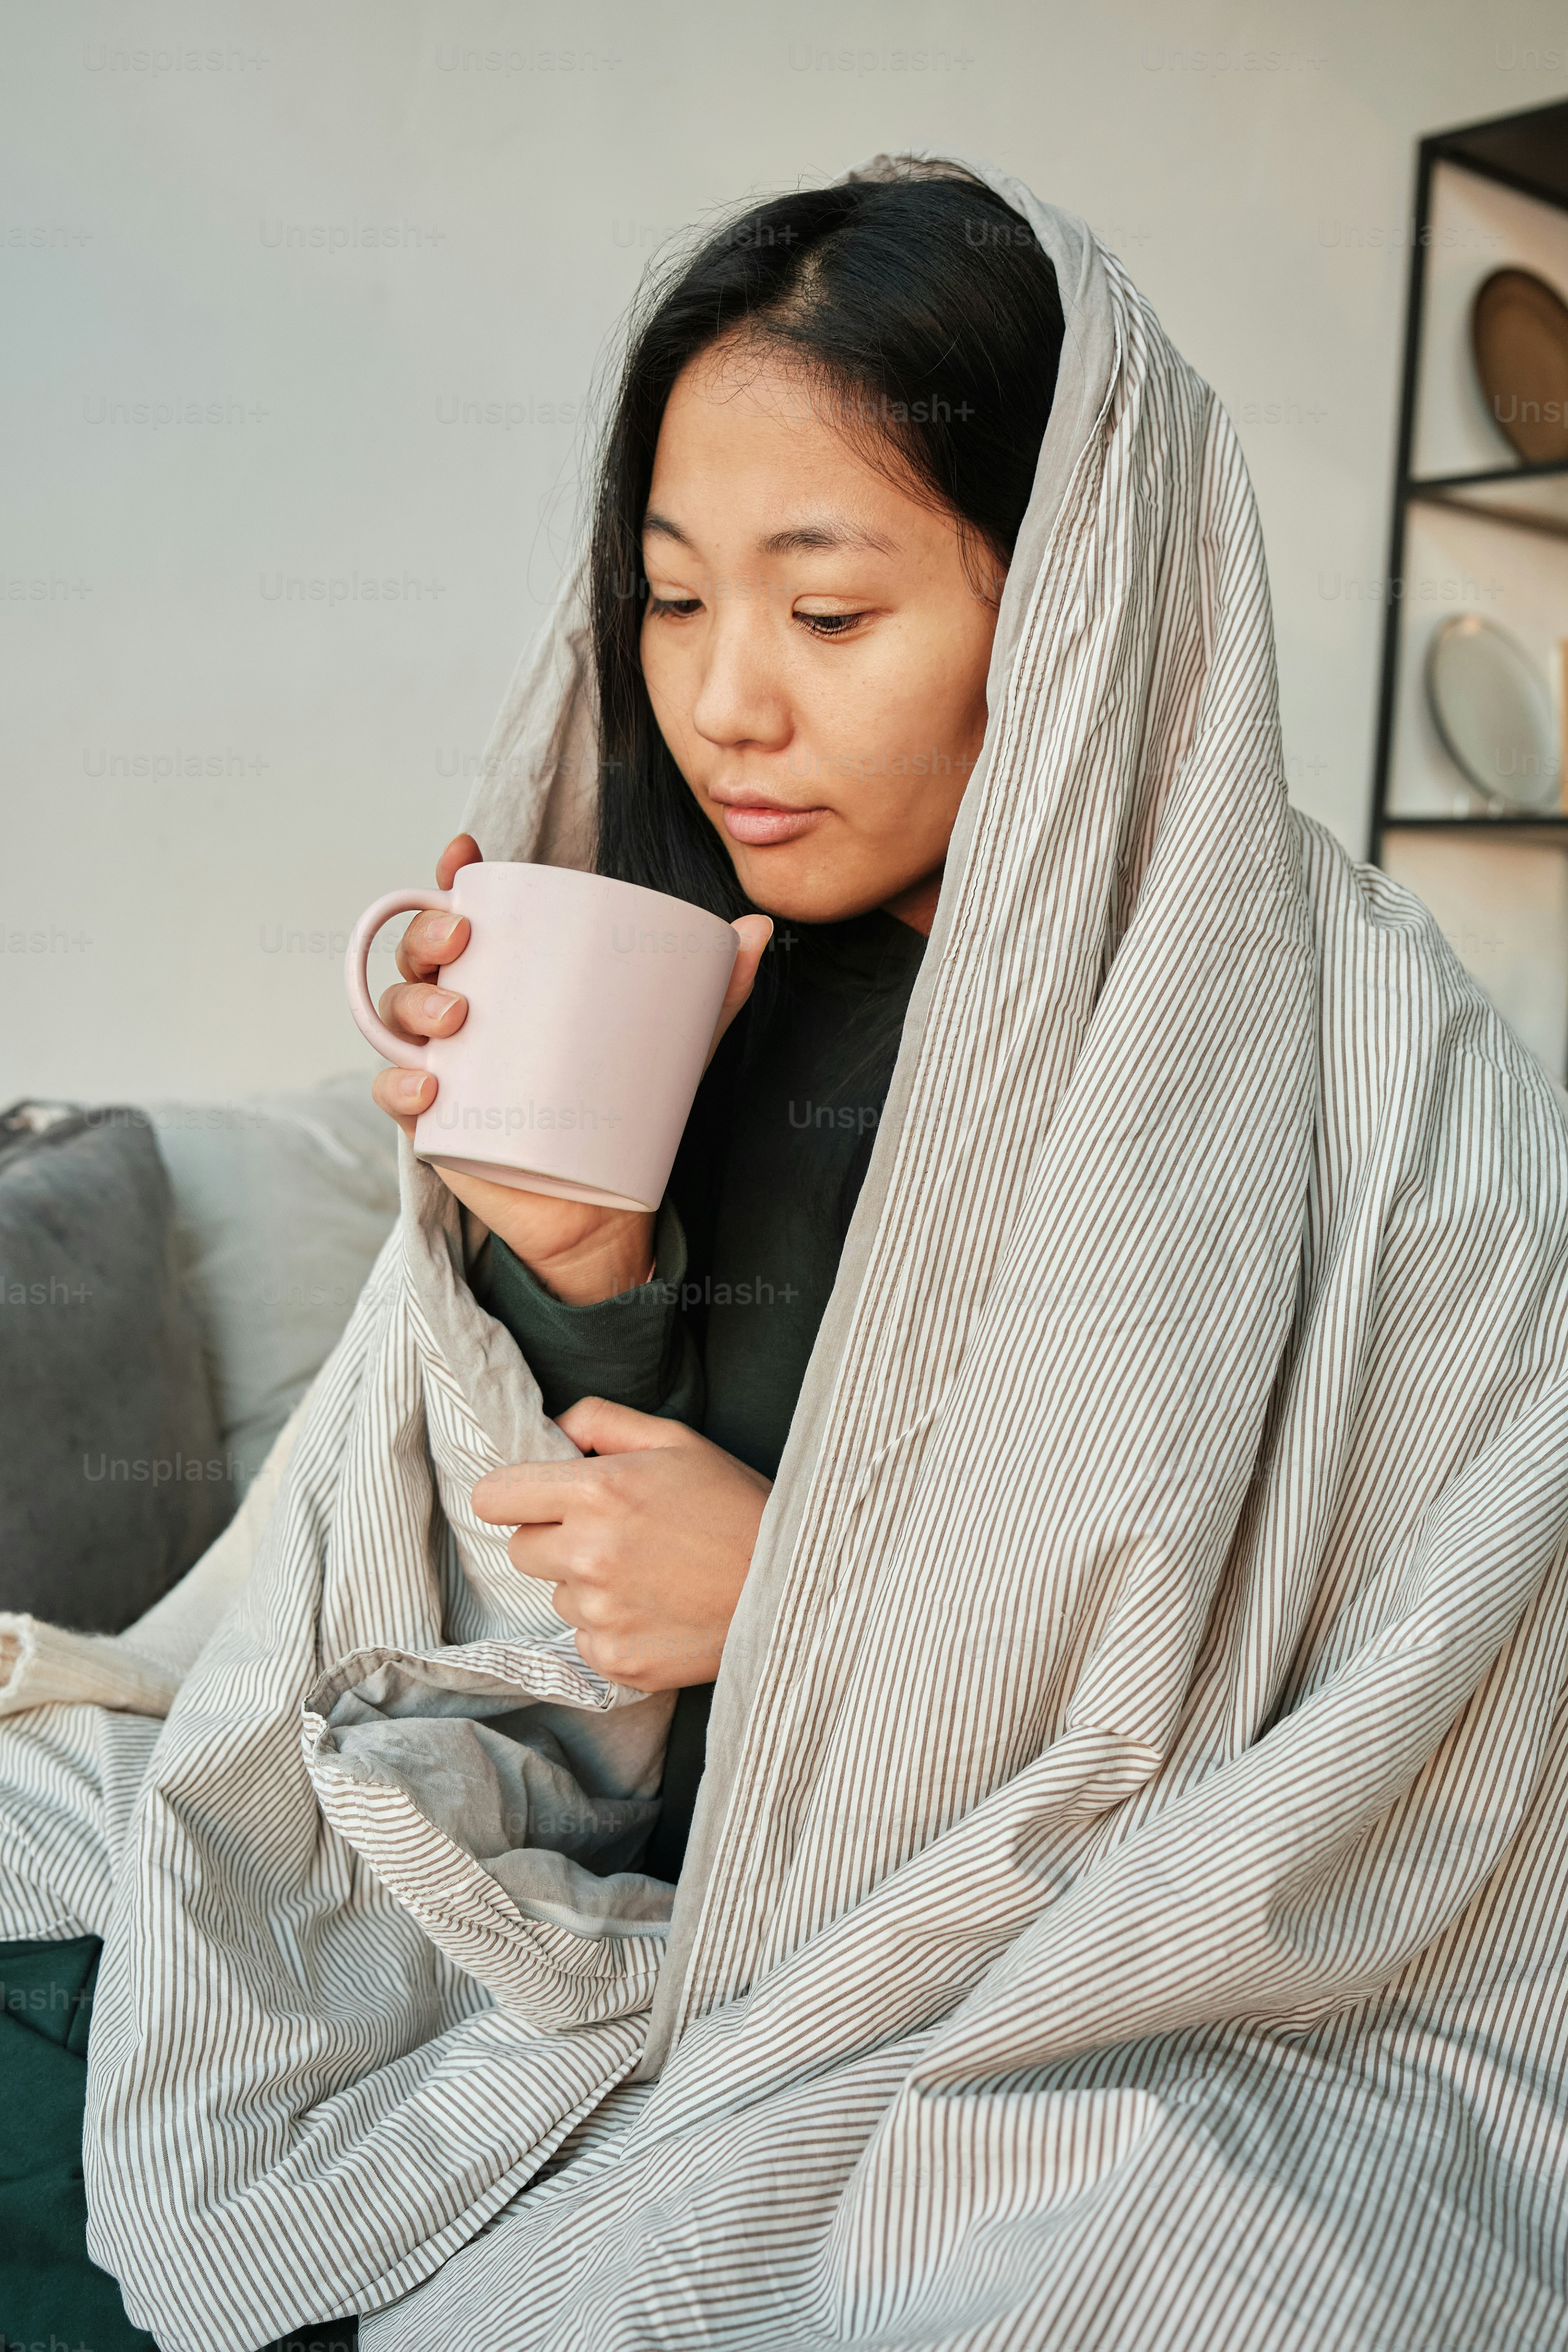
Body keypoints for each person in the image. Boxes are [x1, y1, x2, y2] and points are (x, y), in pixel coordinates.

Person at [4, 154, 1568, 2352]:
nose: (726, 701)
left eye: (829, 612)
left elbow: (1398, 1695)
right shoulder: (687, 971)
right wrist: (563, 1259)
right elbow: (478, 1591)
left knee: (1162, 2233)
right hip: (645, 1880)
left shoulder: (1356, 1050)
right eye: (671, 596)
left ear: (1078, 600)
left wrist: (806, 1599)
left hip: (1045, 1967)